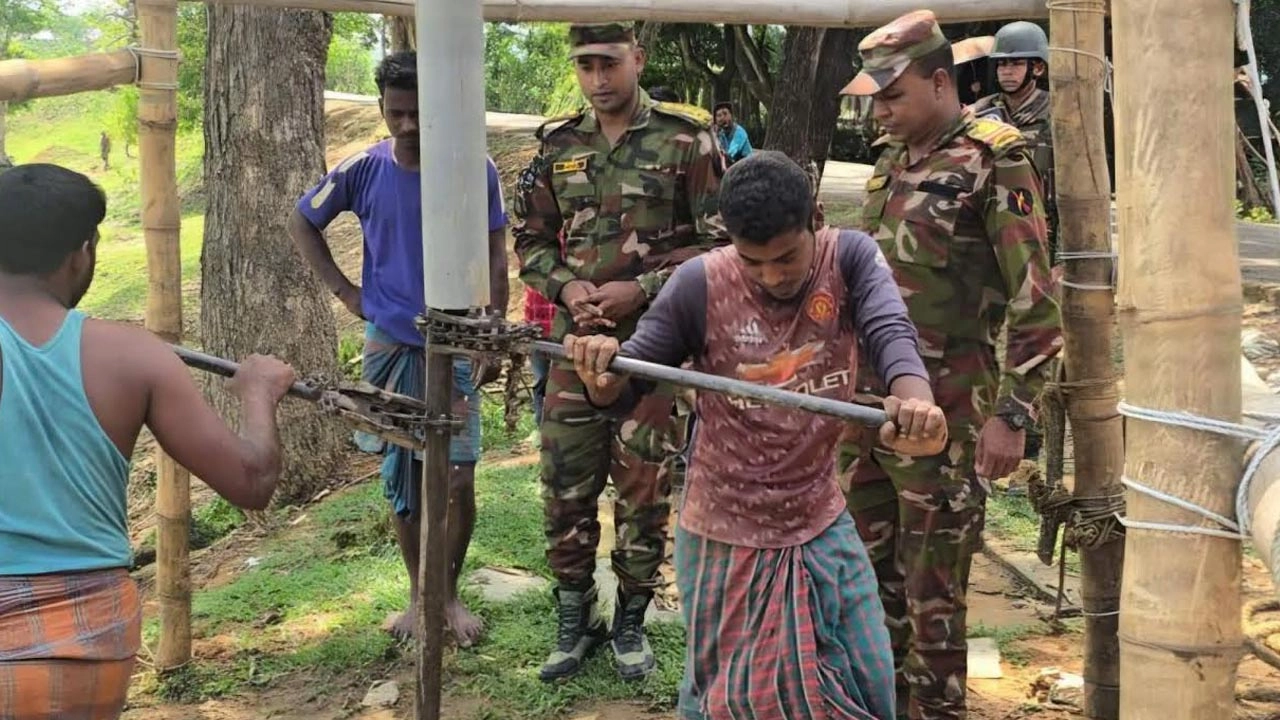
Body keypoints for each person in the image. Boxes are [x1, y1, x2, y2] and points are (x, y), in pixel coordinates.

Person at [565, 150, 948, 720]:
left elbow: (890, 329)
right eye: (753, 262)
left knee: (866, 676)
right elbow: (627, 384)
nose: (772, 276)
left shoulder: (850, 259)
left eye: (787, 258)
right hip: (725, 530)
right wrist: (599, 372)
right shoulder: (700, 283)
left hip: (818, 516)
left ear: (817, 218)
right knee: (726, 696)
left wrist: (915, 399)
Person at [0, 163, 295, 719]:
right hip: (85, 640)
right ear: (80, 253)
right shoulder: (133, 356)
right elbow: (252, 480)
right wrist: (257, 391)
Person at [839, 11, 1063, 719]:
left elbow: (1038, 305)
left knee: (933, 591)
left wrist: (1013, 417)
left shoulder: (995, 160)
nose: (881, 109)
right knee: (868, 579)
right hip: (868, 414)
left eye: (892, 94)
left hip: (947, 421)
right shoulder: (889, 161)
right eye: (875, 97)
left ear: (940, 82)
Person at [513, 21, 726, 682]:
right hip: (573, 348)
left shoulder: (686, 138)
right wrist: (570, 286)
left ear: (637, 58)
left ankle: (631, 618)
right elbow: (530, 241)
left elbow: (721, 242)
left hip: (655, 352)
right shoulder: (559, 146)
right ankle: (575, 619)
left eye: (609, 63)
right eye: (586, 66)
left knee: (644, 489)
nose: (598, 79)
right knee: (564, 488)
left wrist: (642, 288)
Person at [287, 50, 509, 647]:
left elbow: (494, 250)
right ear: (384, 108)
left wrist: (494, 322)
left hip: (457, 343)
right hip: (390, 343)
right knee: (403, 473)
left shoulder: (473, 167)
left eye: (420, 113)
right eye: (397, 113)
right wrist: (346, 292)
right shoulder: (361, 169)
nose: (409, 125)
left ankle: (449, 593)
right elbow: (303, 220)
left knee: (458, 477)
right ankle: (417, 596)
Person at [970, 21, 1057, 462]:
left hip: (1041, 241)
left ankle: (1031, 432)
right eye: (1001, 63)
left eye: (1016, 63)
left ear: (1037, 69)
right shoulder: (980, 113)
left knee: (1042, 341)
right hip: (991, 241)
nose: (1007, 71)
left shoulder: (1058, 115)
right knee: (988, 339)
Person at [713, 101, 753, 166]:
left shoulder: (739, 132)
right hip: (731, 167)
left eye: (725, 114)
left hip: (746, 166)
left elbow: (731, 154)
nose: (722, 118)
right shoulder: (720, 133)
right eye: (719, 115)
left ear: (731, 115)